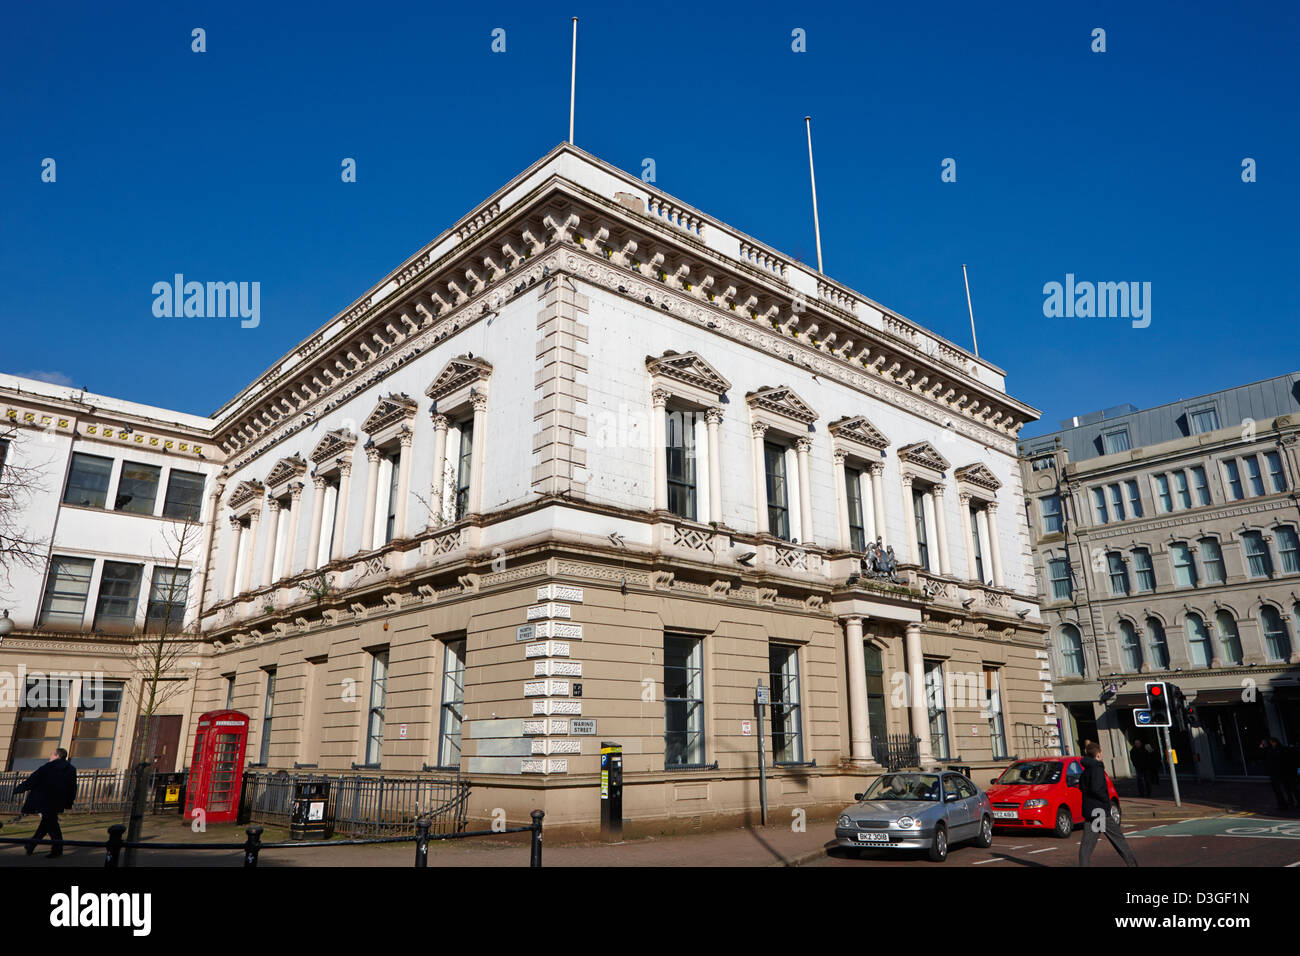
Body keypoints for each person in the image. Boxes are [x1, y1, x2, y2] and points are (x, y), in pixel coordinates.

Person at [1078, 741, 1138, 867]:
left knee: (1087, 846)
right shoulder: (1097, 768)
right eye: (1101, 752)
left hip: (1091, 812)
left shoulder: (1086, 769)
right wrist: (1106, 800)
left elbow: (1081, 787)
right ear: (1098, 754)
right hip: (1101, 811)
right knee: (1119, 841)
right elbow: (1096, 788)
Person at [13, 748, 78, 858]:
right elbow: (72, 787)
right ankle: (31, 845)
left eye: (51, 755)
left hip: (44, 799)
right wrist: (69, 802)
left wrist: (19, 789)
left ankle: (57, 849)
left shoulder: (48, 767)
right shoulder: (71, 769)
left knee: (52, 825)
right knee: (47, 823)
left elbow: (33, 780)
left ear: (57, 756)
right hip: (58, 801)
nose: (50, 757)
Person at [1261, 738, 1297, 810]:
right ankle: (1289, 802)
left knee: (1290, 787)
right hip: (1281, 772)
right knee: (1288, 788)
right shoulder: (1272, 750)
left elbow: (1289, 761)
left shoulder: (1278, 750)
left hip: (1283, 772)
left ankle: (1287, 803)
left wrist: (1297, 771)